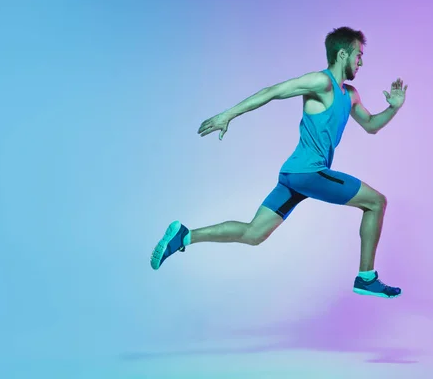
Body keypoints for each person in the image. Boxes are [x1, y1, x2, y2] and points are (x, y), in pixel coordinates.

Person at [150, 27, 407, 298]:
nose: (361, 62)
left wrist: (393, 107)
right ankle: (366, 278)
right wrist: (228, 115)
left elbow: (370, 125)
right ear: (343, 53)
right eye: (358, 55)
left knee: (253, 234)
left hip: (294, 176)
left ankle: (185, 235)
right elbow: (274, 91)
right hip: (310, 173)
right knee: (376, 202)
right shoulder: (321, 82)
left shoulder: (350, 94)